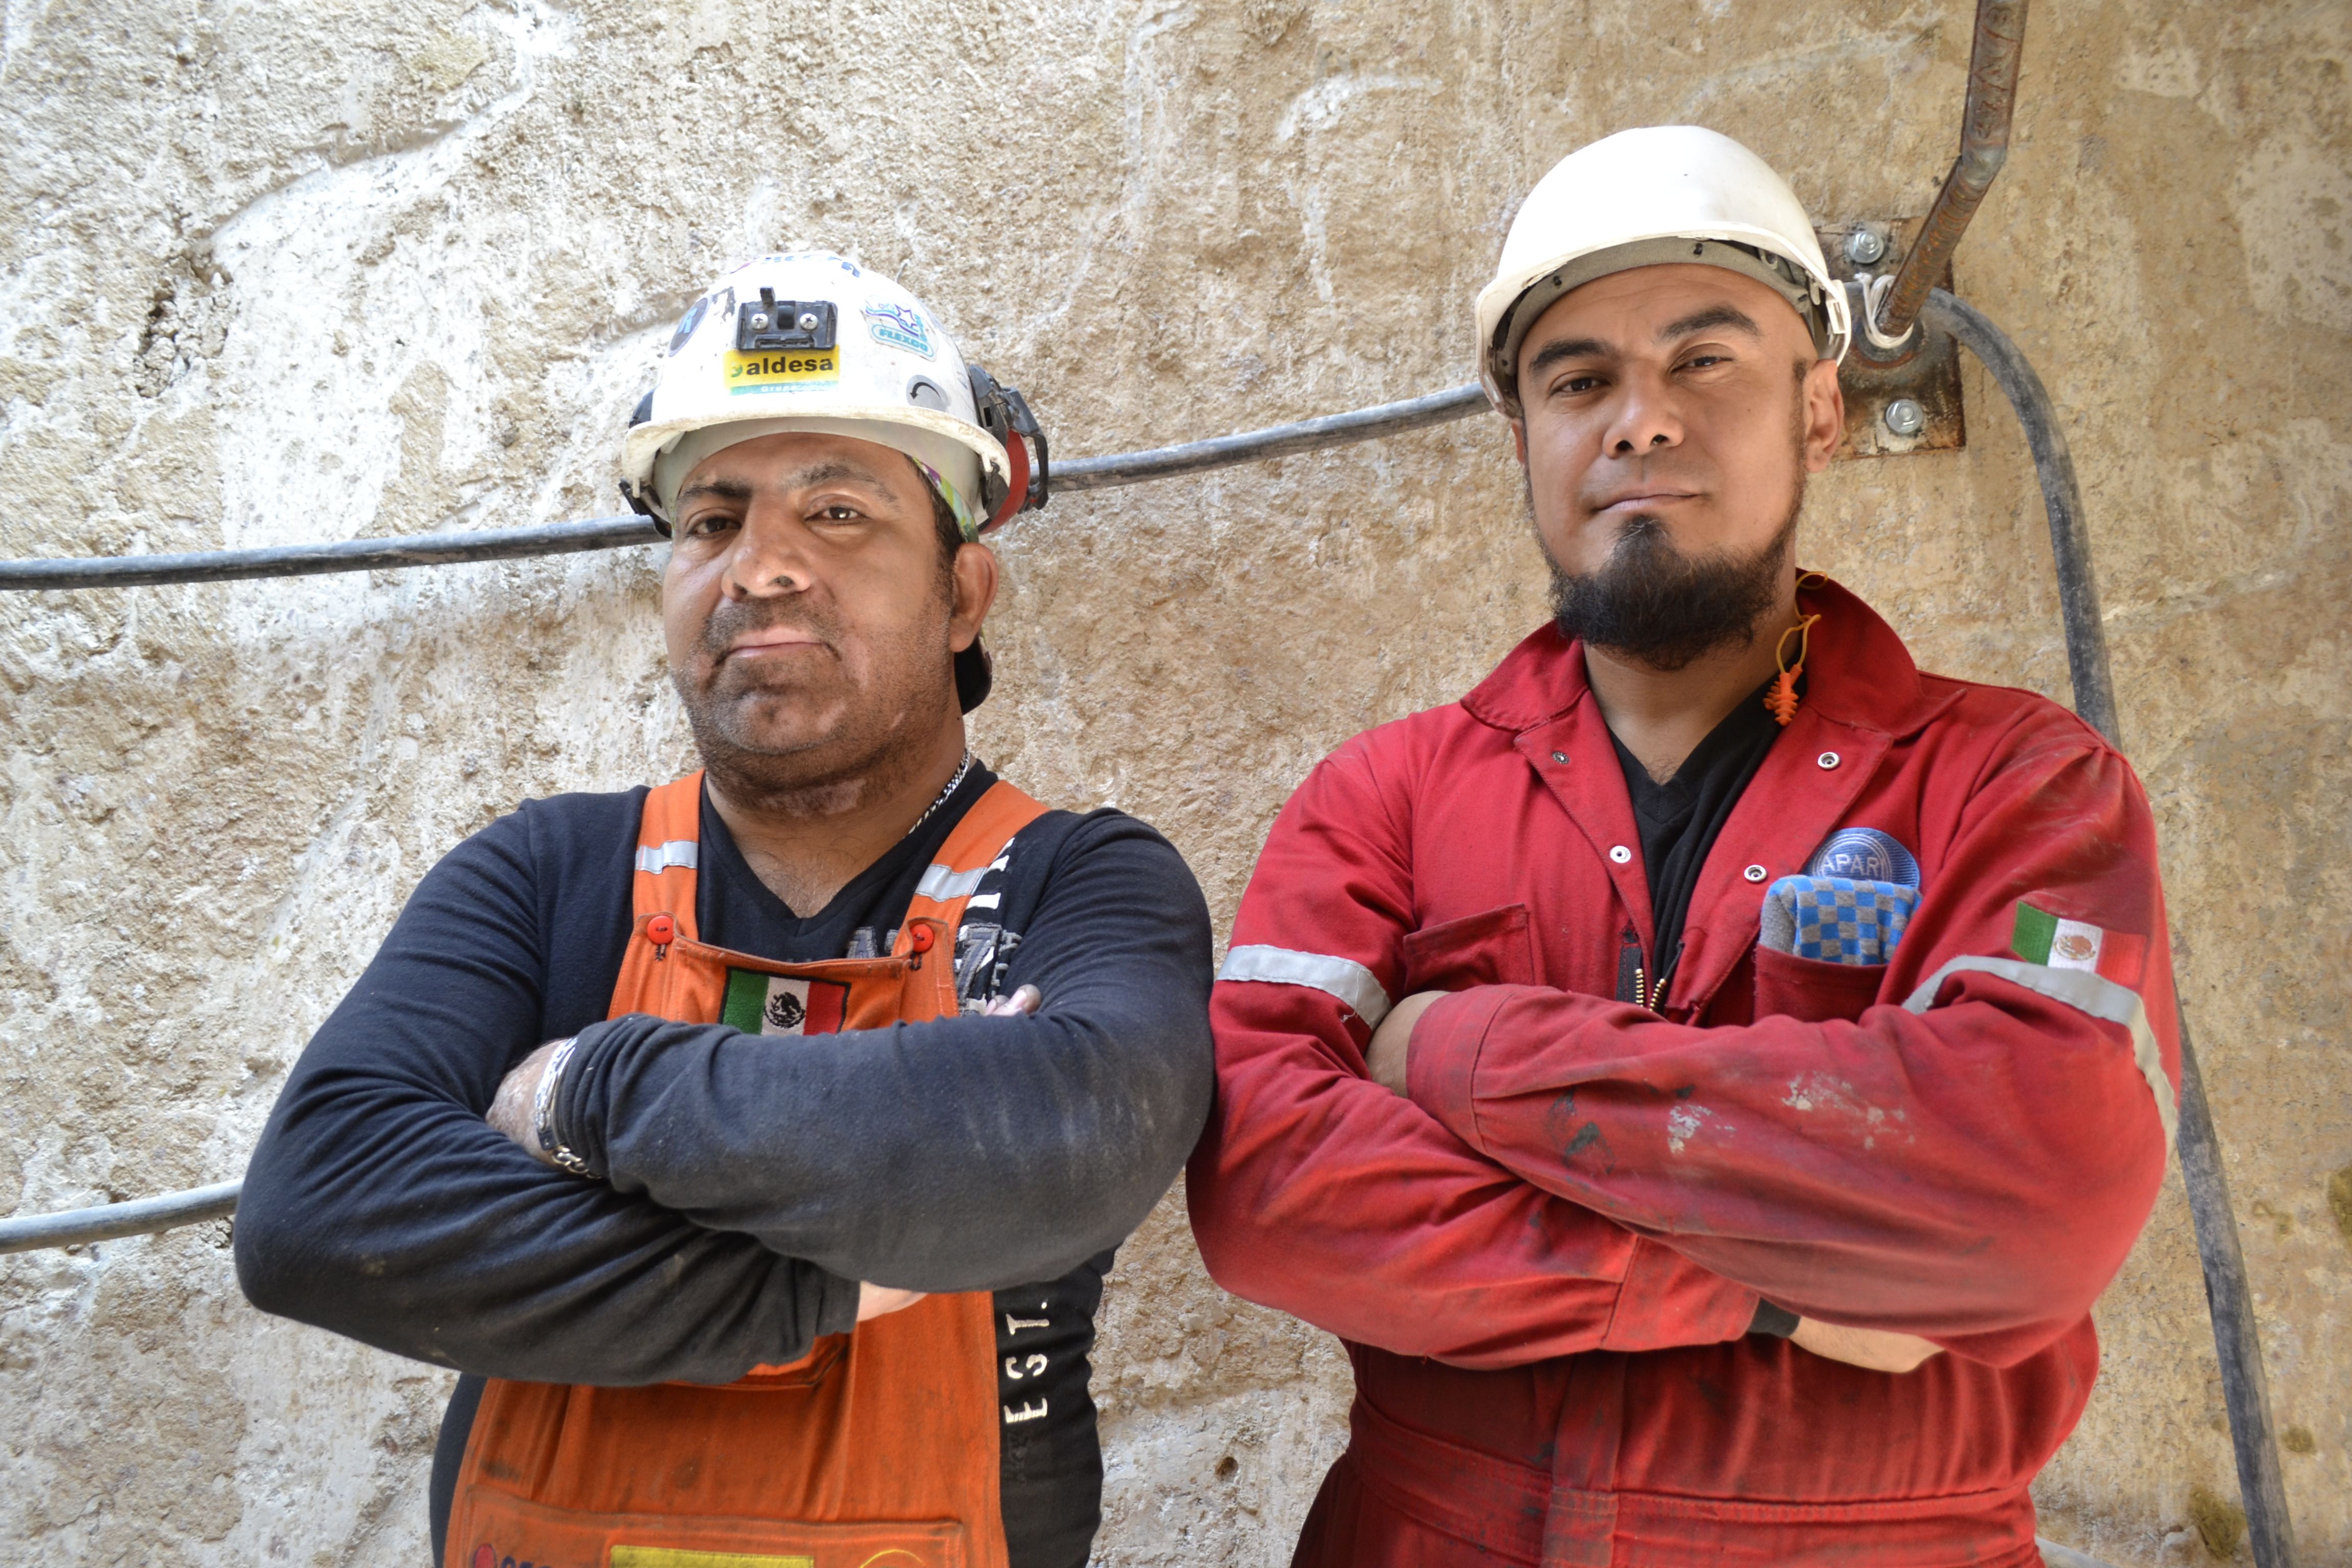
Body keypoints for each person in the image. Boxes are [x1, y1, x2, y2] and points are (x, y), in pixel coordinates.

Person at [1188, 127, 2178, 1567]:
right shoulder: (1384, 799)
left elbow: (2031, 1206)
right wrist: (1778, 1293)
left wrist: (1461, 1055)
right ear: (1523, 435)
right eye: (1578, 378)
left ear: (1821, 412)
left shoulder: (2017, 786)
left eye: (1705, 361)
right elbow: (1268, 1195)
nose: (1639, 420)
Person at [235, 251, 1215, 1568]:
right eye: (711, 519)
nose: (761, 568)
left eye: (841, 513)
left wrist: (589, 1092)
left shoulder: (1078, 880)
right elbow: (322, 1211)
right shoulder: (546, 875)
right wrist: (852, 1271)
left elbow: (1065, 1140)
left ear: (963, 591)